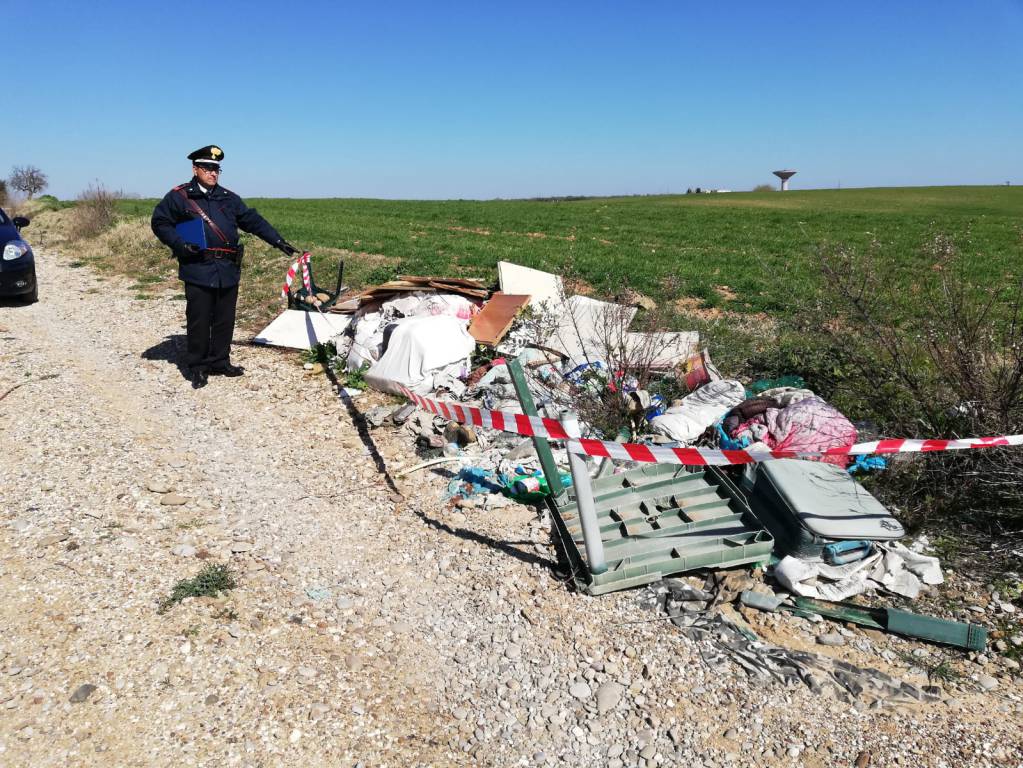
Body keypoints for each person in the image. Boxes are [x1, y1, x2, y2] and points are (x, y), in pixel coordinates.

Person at [151, 145, 299, 388]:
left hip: (227, 268)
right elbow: (160, 222)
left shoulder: (228, 198)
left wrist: (277, 240)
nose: (213, 173)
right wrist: (179, 244)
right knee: (199, 318)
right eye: (208, 168)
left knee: (224, 318)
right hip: (198, 266)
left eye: (217, 169)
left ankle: (220, 361)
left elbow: (252, 220)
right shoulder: (179, 197)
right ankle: (197, 366)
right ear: (195, 169)